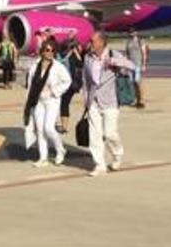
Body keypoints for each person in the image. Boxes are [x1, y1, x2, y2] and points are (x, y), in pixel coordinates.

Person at [82, 32, 135, 177]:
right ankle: (99, 165)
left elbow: (132, 65)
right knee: (95, 135)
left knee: (109, 133)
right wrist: (86, 100)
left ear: (102, 42)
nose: (90, 43)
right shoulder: (88, 57)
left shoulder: (113, 54)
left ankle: (117, 154)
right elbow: (86, 80)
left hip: (111, 101)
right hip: (93, 101)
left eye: (93, 41)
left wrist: (114, 62)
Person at [24, 42, 72, 167]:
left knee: (48, 128)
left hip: (51, 101)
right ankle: (43, 158)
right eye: (47, 50)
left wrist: (55, 91)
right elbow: (30, 85)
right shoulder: (35, 66)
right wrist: (28, 102)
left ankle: (60, 149)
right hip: (38, 101)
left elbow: (67, 81)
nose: (50, 52)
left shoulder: (58, 66)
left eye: (52, 50)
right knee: (40, 130)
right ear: (42, 51)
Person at [58, 40, 84, 133]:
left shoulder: (60, 55)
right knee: (65, 104)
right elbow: (80, 64)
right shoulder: (73, 56)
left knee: (63, 104)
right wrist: (76, 53)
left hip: (63, 84)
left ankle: (64, 125)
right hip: (71, 84)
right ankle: (64, 125)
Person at [125, 29, 149, 108]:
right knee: (132, 82)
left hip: (138, 64)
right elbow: (127, 54)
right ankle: (136, 99)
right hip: (130, 64)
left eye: (133, 32)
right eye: (130, 32)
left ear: (136, 32)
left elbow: (144, 53)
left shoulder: (140, 41)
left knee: (138, 81)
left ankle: (142, 100)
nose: (131, 33)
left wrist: (144, 64)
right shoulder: (128, 42)